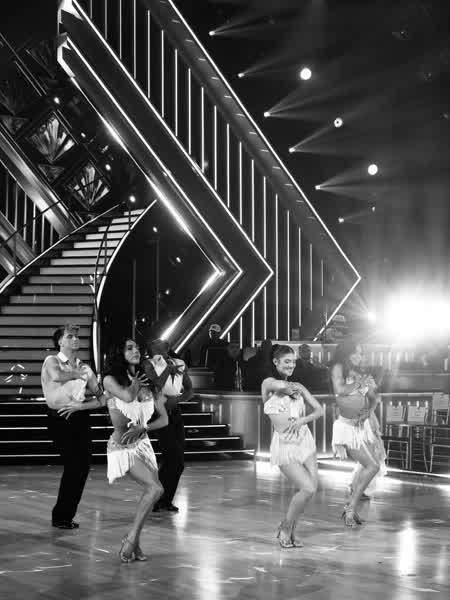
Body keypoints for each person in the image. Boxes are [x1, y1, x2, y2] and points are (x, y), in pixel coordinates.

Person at [103, 339, 168, 563]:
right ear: (118, 353)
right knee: (155, 489)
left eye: (137, 348)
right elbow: (128, 397)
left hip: (143, 444)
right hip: (122, 447)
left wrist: (144, 427)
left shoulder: (147, 381)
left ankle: (135, 541)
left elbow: (164, 419)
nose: (136, 350)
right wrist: (136, 383)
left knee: (153, 493)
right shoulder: (110, 380)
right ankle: (131, 538)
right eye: (129, 348)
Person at [41, 324, 108, 529]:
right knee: (73, 466)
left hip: (80, 417)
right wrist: (77, 374)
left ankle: (65, 516)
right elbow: (57, 376)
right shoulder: (52, 361)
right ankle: (60, 516)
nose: (75, 339)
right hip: (59, 418)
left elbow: (102, 398)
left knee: (82, 467)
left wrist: (82, 406)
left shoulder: (85, 368)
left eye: (77, 336)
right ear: (60, 341)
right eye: (70, 336)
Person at [262, 345, 323, 548]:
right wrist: (289, 388)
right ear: (276, 362)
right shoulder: (268, 383)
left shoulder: (298, 385)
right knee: (307, 487)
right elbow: (279, 385)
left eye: (294, 362)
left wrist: (302, 420)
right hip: (284, 444)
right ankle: (286, 527)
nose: (291, 365)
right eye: (287, 361)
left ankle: (292, 529)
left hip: (304, 440)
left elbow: (319, 410)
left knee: (311, 489)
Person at [330, 340, 383, 527]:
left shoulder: (359, 374)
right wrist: (360, 383)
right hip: (346, 428)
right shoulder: (338, 368)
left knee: (370, 465)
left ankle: (351, 507)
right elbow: (339, 390)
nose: (361, 357)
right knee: (372, 466)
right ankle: (350, 508)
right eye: (358, 353)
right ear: (348, 353)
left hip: (361, 426)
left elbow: (375, 398)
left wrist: (368, 412)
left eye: (362, 353)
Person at [143, 339, 193, 512]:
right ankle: (155, 497)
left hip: (175, 413)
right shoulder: (148, 364)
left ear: (168, 347)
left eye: (162, 343)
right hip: (157, 413)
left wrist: (177, 400)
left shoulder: (179, 363)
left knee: (177, 462)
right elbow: (155, 386)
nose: (160, 344)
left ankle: (165, 500)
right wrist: (167, 371)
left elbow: (189, 389)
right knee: (173, 458)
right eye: (155, 344)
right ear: (151, 348)